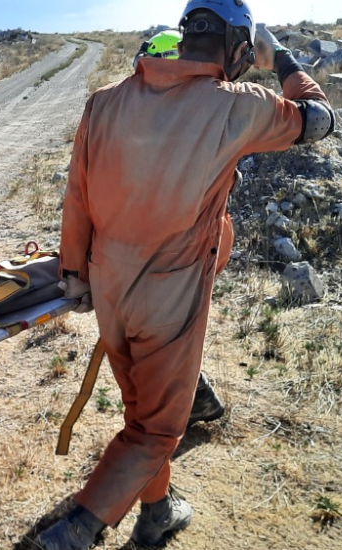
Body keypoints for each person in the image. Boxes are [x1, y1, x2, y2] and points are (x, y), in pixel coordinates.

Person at [40, 0, 335, 547]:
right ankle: (76, 528)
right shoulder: (237, 105)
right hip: (171, 293)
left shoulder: (103, 102)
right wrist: (285, 60)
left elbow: (76, 194)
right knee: (156, 429)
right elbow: (319, 120)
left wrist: (74, 274)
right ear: (240, 51)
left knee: (140, 410)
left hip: (107, 284)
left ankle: (157, 512)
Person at [132, 28, 230, 429]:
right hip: (205, 237)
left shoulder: (163, 117)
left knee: (163, 330)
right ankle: (191, 398)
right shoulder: (203, 109)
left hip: (184, 244)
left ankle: (192, 402)